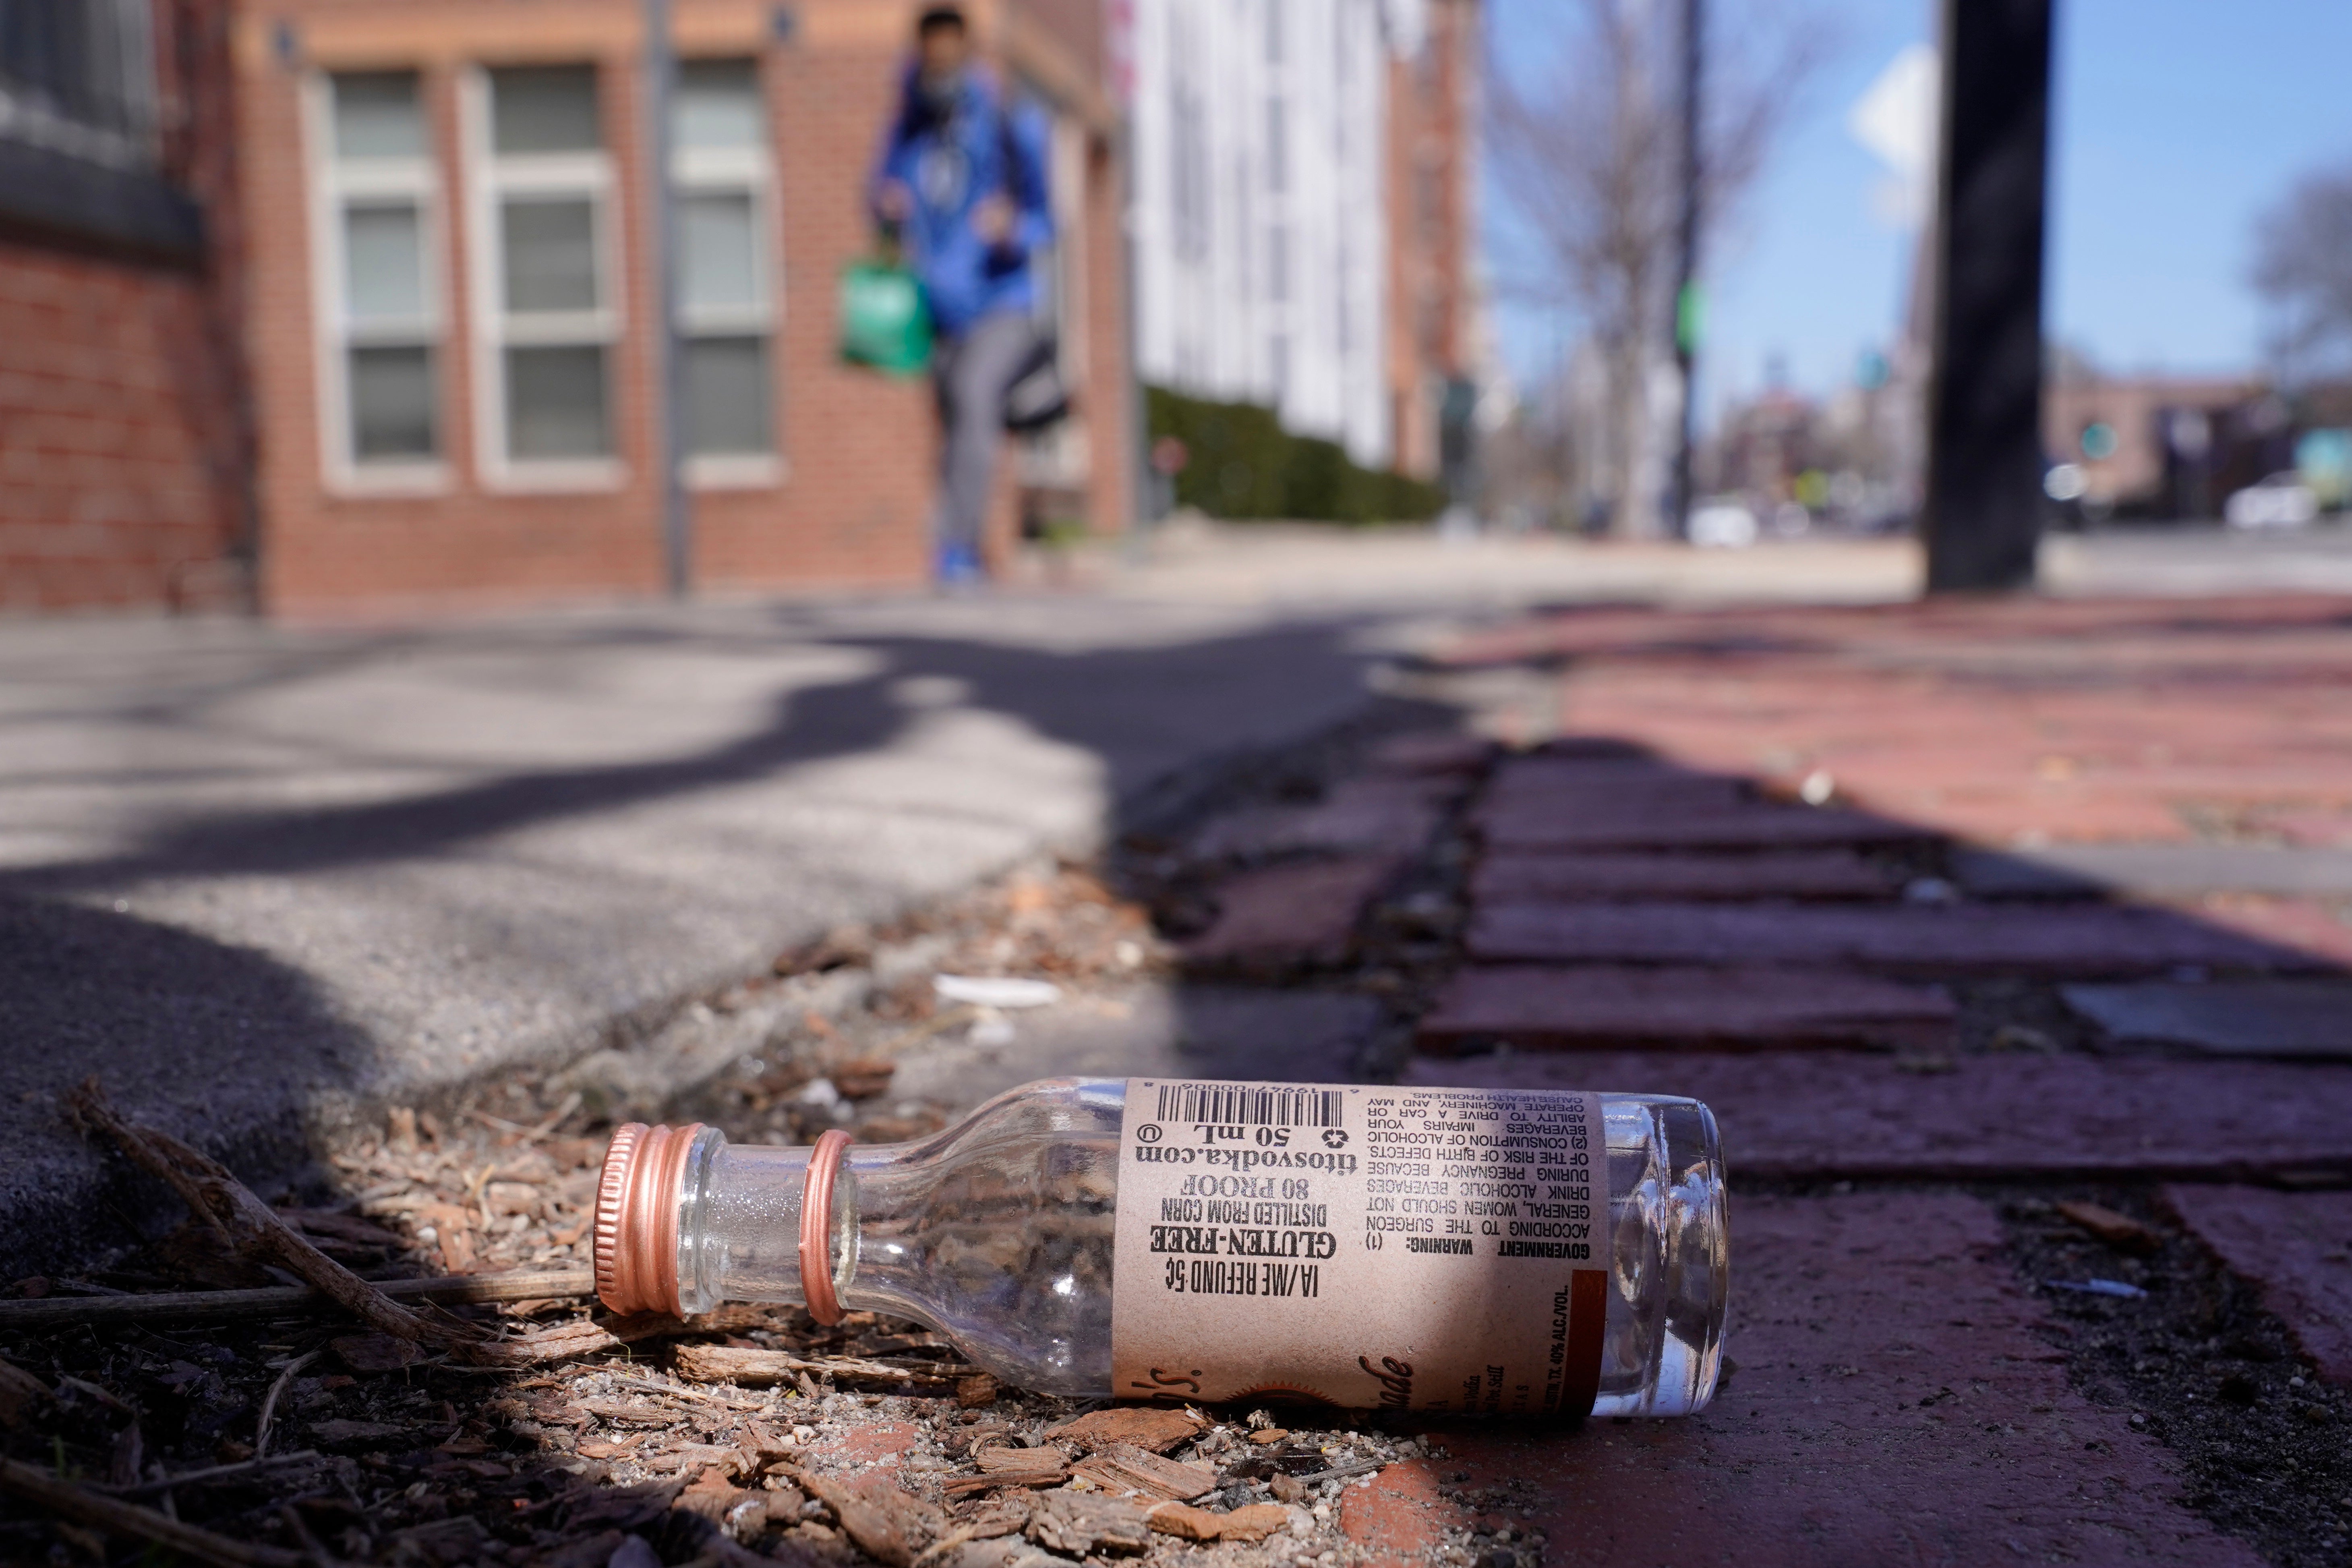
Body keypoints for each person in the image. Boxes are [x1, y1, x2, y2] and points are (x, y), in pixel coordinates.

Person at [870, 5, 1052, 586]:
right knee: (953, 427)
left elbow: (1049, 221)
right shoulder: (909, 126)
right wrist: (886, 207)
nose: (941, 67)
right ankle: (963, 545)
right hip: (938, 306)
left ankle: (956, 547)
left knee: (976, 400)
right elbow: (875, 193)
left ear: (968, 55)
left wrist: (1012, 228)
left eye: (953, 55)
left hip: (1002, 300)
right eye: (933, 57)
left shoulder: (1006, 122)